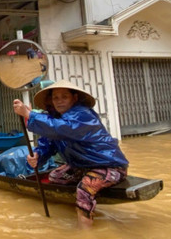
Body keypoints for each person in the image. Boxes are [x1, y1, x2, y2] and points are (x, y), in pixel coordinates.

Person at [12, 80, 129, 228]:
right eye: (55, 98)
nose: (59, 101)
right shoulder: (54, 118)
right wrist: (37, 156)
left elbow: (61, 128)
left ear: (74, 98)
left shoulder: (83, 114)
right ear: (51, 101)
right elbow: (46, 144)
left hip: (110, 166)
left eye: (64, 97)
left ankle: (85, 233)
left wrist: (29, 114)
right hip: (81, 166)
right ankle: (79, 200)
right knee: (54, 176)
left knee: (84, 188)